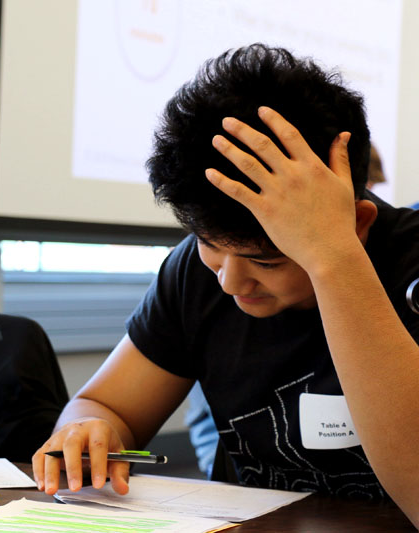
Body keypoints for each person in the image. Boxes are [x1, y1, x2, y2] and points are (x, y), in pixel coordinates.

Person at [32, 44, 419, 526]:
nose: (231, 281)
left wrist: (335, 259)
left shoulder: (410, 263)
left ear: (358, 224)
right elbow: (104, 404)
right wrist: (87, 429)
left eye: (267, 259)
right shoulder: (195, 275)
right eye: (208, 244)